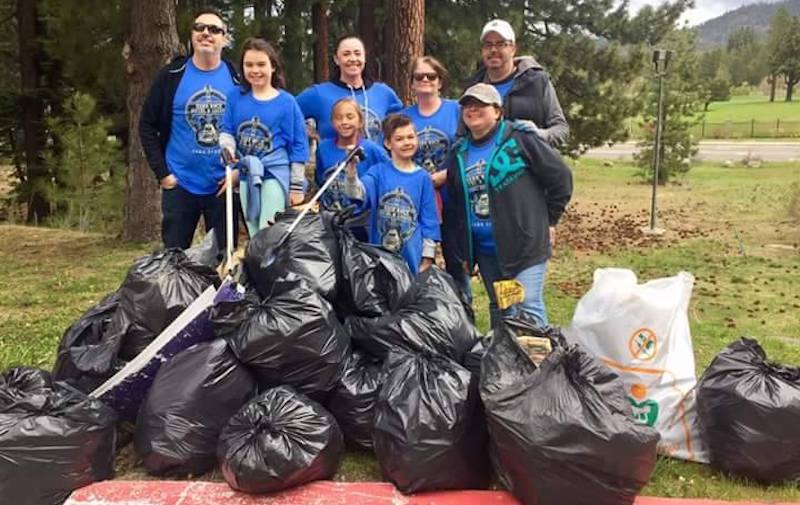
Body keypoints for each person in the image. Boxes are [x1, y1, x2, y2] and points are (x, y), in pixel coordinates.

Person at [442, 83, 572, 328]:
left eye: (481, 104)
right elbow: (458, 204)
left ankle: (538, 364)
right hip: (487, 250)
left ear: (498, 111)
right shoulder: (459, 152)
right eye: (468, 105)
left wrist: (550, 220)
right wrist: (467, 251)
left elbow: (560, 177)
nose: (473, 109)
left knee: (527, 304)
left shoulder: (520, 139)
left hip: (523, 242)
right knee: (503, 306)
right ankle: (505, 363)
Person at [139, 9, 240, 250]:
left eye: (214, 29)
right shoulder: (171, 75)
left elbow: (249, 126)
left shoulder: (237, 77)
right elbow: (147, 125)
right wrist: (163, 173)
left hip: (223, 184)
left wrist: (239, 173)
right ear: (192, 34)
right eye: (199, 27)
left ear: (224, 39)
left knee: (224, 263)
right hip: (181, 185)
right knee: (175, 261)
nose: (206, 33)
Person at [219, 38, 308, 237]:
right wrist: (228, 148)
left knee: (268, 232)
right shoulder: (235, 96)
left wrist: (296, 186)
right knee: (252, 229)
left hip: (274, 172)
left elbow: (299, 146)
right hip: (247, 173)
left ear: (273, 67)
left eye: (261, 64)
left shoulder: (286, 102)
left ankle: (268, 267)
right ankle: (256, 267)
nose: (255, 70)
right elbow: (227, 130)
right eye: (249, 65)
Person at [344, 114, 440, 276]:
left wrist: (428, 257)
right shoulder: (378, 172)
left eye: (410, 137)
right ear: (388, 143)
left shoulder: (423, 177)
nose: (407, 142)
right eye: (399, 139)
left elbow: (429, 219)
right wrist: (351, 172)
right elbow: (358, 194)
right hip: (379, 257)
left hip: (411, 259)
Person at [466, 19, 569, 147]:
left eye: (500, 44)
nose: (493, 50)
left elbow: (561, 129)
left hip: (530, 163)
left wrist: (539, 135)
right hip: (486, 165)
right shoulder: (474, 86)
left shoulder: (537, 81)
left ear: (513, 49)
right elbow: (463, 133)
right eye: (488, 44)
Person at [296, 35, 403, 142]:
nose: (353, 59)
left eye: (357, 54)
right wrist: (308, 134)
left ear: (364, 58)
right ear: (336, 59)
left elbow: (402, 126)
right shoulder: (318, 94)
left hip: (376, 158)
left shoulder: (383, 93)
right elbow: (288, 114)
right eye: (346, 54)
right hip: (334, 158)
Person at [316, 98, 389, 241]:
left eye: (350, 117)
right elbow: (320, 179)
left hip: (361, 222)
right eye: (338, 118)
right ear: (332, 122)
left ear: (360, 121)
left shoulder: (374, 151)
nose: (344, 122)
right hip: (330, 220)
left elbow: (388, 178)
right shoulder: (323, 149)